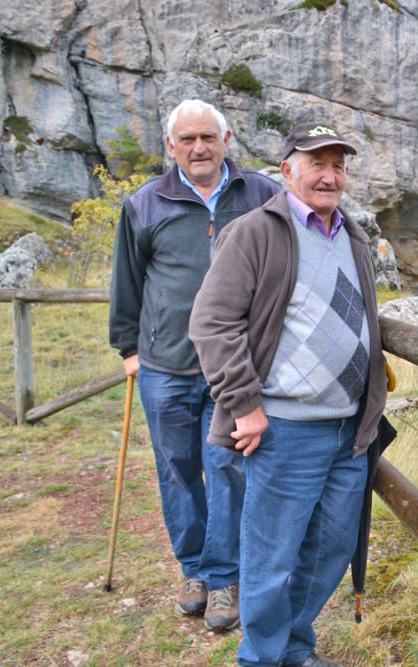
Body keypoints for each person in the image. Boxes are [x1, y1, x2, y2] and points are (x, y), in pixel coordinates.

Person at [188, 123, 387, 667]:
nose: (329, 175)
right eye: (316, 163)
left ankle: (292, 650)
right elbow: (211, 322)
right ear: (288, 170)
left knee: (329, 552)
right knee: (272, 558)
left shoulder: (354, 237)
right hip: (286, 427)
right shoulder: (257, 232)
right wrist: (245, 403)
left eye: (338, 165)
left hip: (350, 429)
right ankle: (262, 657)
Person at [108, 99, 280, 631]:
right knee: (178, 471)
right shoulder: (145, 204)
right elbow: (127, 282)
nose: (199, 148)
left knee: (228, 469)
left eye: (208, 137)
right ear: (171, 146)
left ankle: (226, 578)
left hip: (233, 367)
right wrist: (129, 349)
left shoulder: (262, 195)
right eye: (187, 140)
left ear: (227, 138)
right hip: (166, 365)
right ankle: (195, 571)